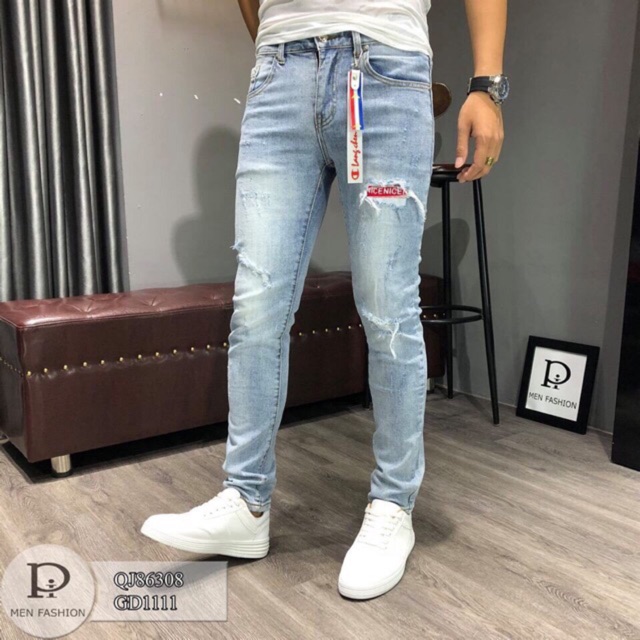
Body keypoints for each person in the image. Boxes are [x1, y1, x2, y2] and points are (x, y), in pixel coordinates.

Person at [141, 0, 507, 600]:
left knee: (388, 310)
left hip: (386, 69)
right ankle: (246, 501)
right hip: (279, 77)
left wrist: (487, 85)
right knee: (256, 306)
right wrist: (281, 42)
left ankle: (393, 505)